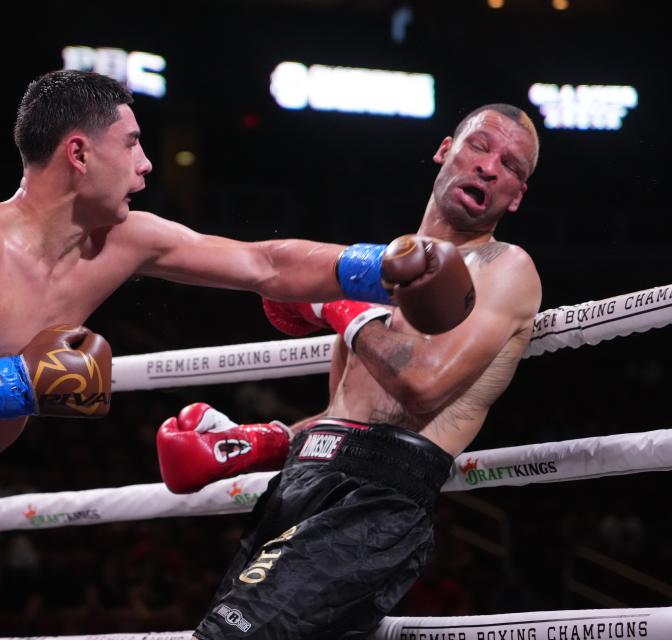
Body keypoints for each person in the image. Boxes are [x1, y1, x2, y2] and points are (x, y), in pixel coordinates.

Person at [0, 70, 473, 640]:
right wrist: (16, 384)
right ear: (79, 152)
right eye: (131, 143)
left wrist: (381, 265)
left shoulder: (123, 241)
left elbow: (261, 262)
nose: (147, 161)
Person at [157, 104, 542, 639]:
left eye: (513, 167)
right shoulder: (378, 270)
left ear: (516, 195)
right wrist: (263, 442)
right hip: (304, 482)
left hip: (375, 499)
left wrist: (336, 304)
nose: (491, 167)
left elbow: (424, 387)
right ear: (445, 149)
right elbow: (344, 416)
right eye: (480, 146)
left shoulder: (505, 267)